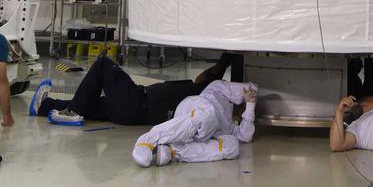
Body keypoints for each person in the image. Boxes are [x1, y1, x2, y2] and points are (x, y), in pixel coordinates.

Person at [29, 51, 235, 127]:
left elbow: (210, 76)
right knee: (88, 103)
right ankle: (43, 106)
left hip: (137, 101)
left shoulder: (206, 98)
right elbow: (208, 76)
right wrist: (227, 60)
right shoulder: (203, 95)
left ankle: (72, 113)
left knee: (103, 64)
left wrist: (226, 60)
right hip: (130, 113)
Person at [131, 80, 258, 166]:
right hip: (195, 109)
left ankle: (171, 151)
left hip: (199, 135)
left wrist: (251, 106)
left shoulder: (231, 127)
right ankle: (148, 139)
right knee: (207, 115)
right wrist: (250, 94)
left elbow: (245, 137)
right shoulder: (217, 88)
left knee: (233, 148)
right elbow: (250, 88)